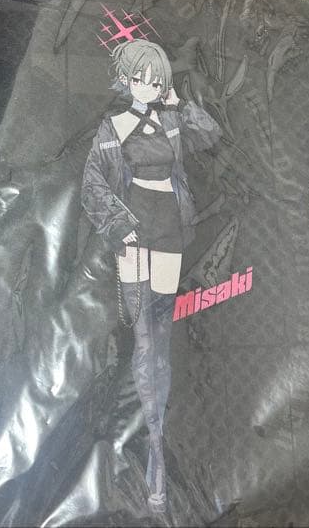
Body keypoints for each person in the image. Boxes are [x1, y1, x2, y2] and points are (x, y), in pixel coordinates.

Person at [80, 39, 221, 514]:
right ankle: (152, 451)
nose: (147, 86)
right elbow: (92, 186)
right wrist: (118, 226)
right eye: (140, 78)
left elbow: (211, 136)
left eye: (156, 80)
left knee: (162, 335)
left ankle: (157, 437)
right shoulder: (112, 127)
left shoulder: (173, 120)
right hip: (133, 229)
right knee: (143, 337)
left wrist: (180, 103)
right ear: (125, 79)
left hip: (170, 227)